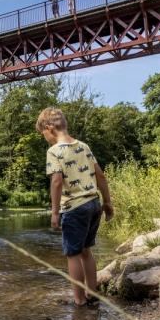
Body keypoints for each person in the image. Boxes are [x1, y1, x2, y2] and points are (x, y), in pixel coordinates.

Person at [35, 108, 113, 307]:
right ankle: (92, 293)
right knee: (87, 250)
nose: (43, 137)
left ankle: (79, 300)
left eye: (42, 133)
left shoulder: (53, 151)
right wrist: (107, 202)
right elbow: (100, 175)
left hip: (73, 208)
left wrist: (54, 212)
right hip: (94, 204)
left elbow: (57, 181)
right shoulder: (84, 146)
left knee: (73, 254)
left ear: (49, 128)